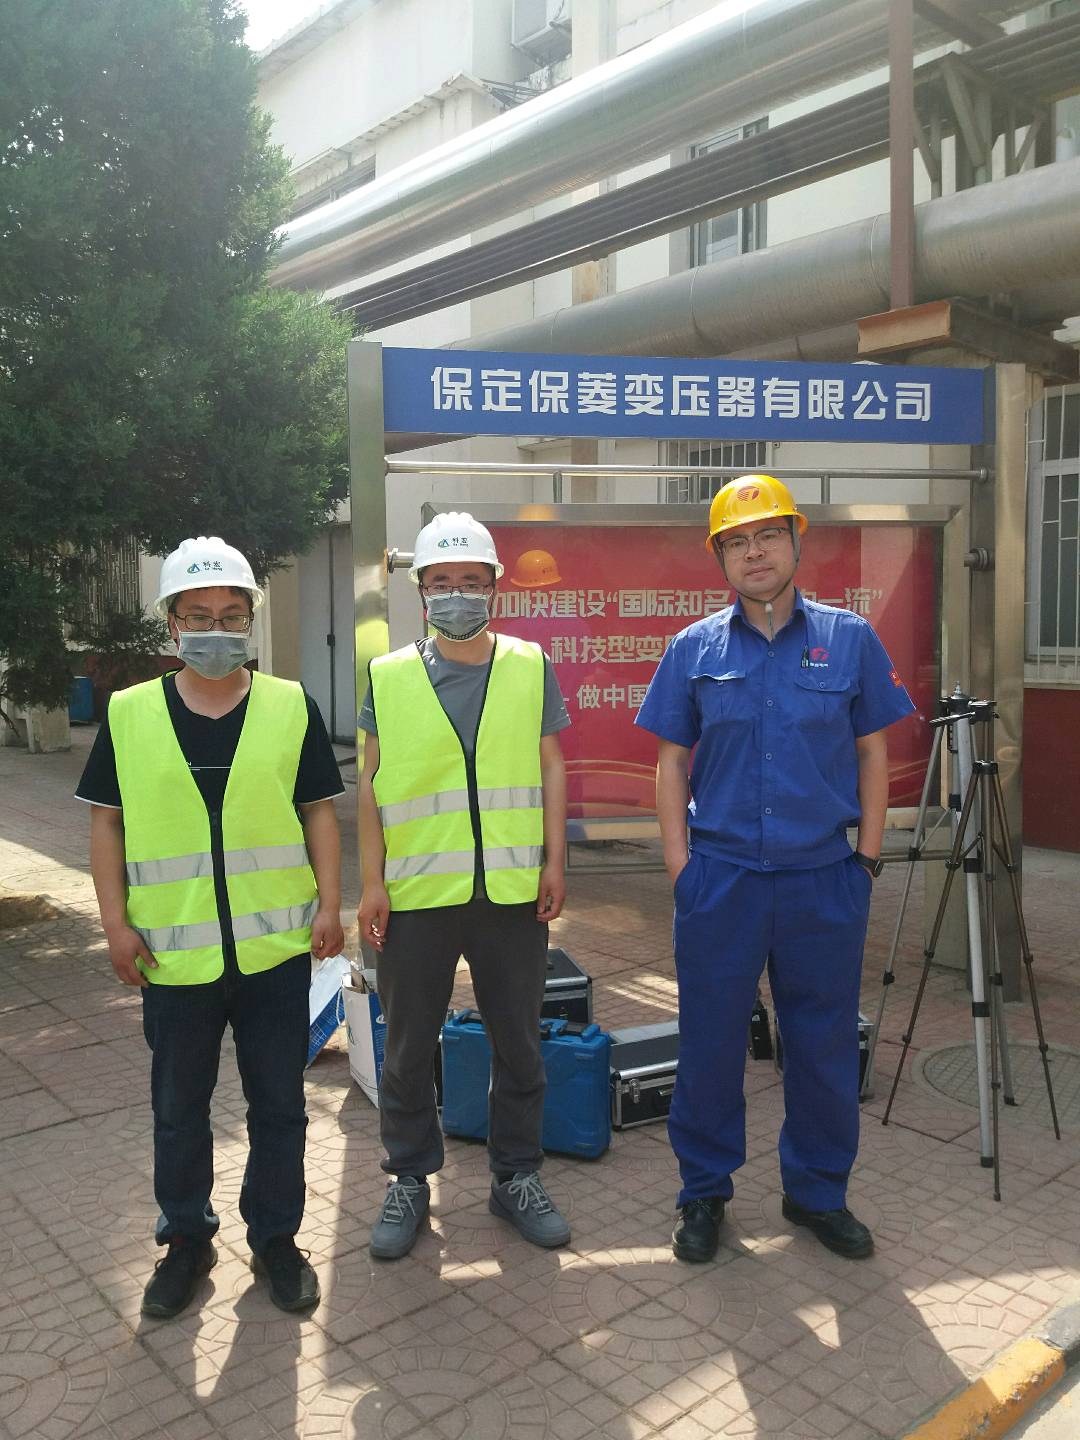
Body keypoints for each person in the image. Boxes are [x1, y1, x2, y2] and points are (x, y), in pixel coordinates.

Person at [636, 476, 914, 1265]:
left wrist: (866, 859)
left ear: (796, 541)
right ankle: (703, 1192)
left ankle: (818, 1192)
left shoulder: (850, 639)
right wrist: (681, 867)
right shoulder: (694, 648)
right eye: (736, 541)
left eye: (766, 535)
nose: (753, 552)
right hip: (720, 880)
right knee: (710, 1044)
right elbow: (671, 761)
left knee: (823, 1045)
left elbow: (872, 752)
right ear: (719, 557)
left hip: (823, 880)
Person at [76, 536, 345, 1318]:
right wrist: (114, 924)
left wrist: (331, 904)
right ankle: (186, 1242)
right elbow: (107, 825)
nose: (216, 630)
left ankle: (276, 1240)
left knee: (279, 1107)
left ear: (250, 619)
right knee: (178, 1111)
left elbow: (317, 812)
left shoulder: (290, 704)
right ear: (171, 624)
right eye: (198, 616)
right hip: (172, 958)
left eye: (231, 615)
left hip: (274, 954)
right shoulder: (130, 714)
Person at [356, 512, 571, 1260]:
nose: (457, 594)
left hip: (511, 892)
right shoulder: (388, 675)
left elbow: (550, 765)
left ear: (495, 589)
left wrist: (554, 861)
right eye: (442, 582)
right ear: (421, 591)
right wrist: (371, 883)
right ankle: (409, 1178)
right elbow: (370, 784)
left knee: (520, 1043)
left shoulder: (529, 664)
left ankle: (516, 1176)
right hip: (416, 895)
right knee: (408, 1048)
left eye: (471, 582)